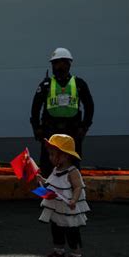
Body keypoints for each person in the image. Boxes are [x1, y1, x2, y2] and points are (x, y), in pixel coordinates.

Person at [30, 47, 94, 177]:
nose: (57, 66)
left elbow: (89, 106)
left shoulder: (78, 84)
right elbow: (35, 108)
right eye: (55, 63)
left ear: (68, 64)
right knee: (47, 166)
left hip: (72, 132)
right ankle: (47, 195)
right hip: (50, 131)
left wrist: (84, 127)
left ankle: (73, 194)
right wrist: (37, 129)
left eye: (61, 62)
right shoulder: (45, 85)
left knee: (73, 165)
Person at [36, 134, 90, 257]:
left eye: (53, 154)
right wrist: (42, 180)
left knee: (71, 231)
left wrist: (74, 200)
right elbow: (52, 184)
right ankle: (59, 252)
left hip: (69, 208)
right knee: (57, 229)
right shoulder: (56, 169)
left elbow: (78, 187)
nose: (50, 157)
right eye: (50, 154)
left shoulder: (73, 171)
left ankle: (76, 256)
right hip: (57, 207)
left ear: (65, 155)